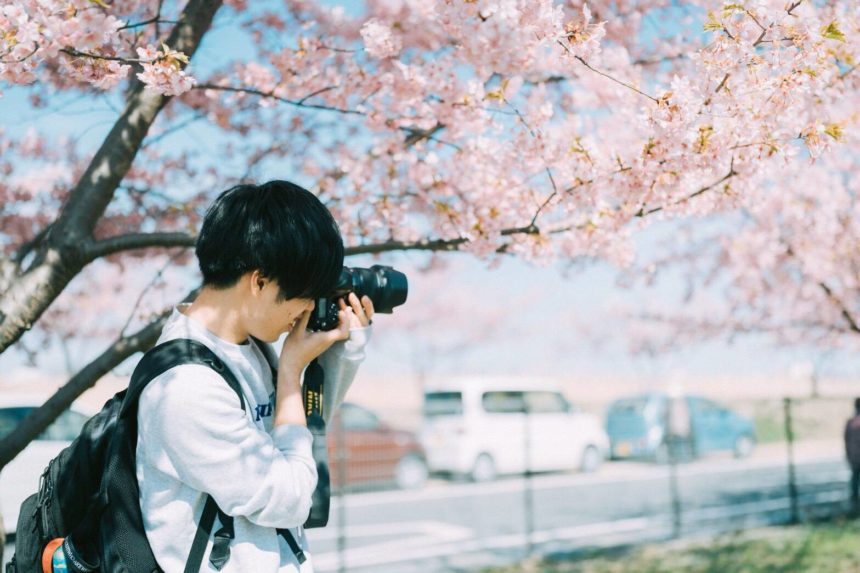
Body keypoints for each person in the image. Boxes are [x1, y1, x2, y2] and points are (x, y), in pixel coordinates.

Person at [136, 180, 374, 572]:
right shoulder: (186, 387)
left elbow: (300, 433)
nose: (304, 310)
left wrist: (346, 344)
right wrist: (291, 372)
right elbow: (292, 497)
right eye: (303, 296)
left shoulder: (249, 345)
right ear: (260, 281)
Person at [844, 397, 860, 511]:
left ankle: (854, 498)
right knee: (855, 477)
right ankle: (854, 498)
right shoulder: (851, 422)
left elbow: (846, 440)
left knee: (855, 477)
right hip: (855, 456)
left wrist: (848, 454)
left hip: (854, 456)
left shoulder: (851, 422)